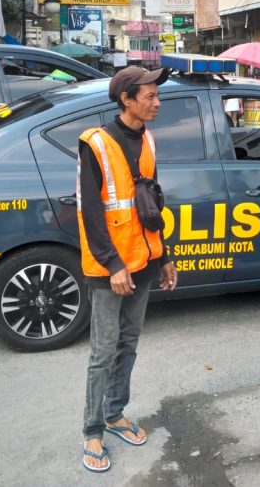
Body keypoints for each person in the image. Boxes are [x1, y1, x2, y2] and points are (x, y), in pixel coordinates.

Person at [78, 65, 178, 474]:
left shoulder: (147, 138)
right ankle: (92, 431)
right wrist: (114, 265)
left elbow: (151, 203)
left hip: (145, 260)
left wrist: (165, 255)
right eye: (150, 96)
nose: (157, 102)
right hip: (111, 269)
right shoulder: (96, 144)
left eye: (157, 95)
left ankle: (116, 414)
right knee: (103, 352)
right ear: (127, 99)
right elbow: (91, 212)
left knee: (129, 343)